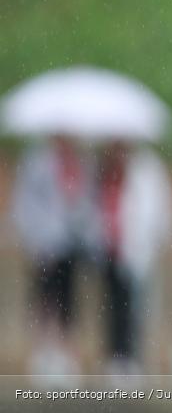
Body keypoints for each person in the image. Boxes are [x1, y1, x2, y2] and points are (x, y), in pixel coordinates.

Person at [10, 136, 101, 382]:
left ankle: (67, 353)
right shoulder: (37, 163)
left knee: (69, 300)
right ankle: (43, 352)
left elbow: (89, 202)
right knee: (44, 298)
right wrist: (33, 236)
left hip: (72, 242)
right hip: (44, 243)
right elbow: (26, 203)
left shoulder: (84, 163)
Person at [96, 141, 172, 376]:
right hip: (111, 250)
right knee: (114, 306)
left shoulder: (147, 169)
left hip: (140, 252)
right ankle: (117, 358)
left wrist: (153, 241)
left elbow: (158, 211)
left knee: (139, 308)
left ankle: (136, 359)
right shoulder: (106, 171)